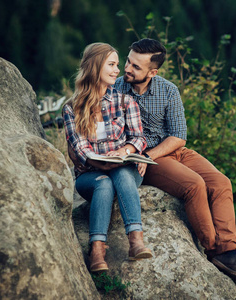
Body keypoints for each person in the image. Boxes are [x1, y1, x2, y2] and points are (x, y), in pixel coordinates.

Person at [112, 38, 236, 285]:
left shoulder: (168, 90)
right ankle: (215, 251)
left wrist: (152, 154)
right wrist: (144, 155)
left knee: (221, 183)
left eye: (136, 66)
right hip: (146, 159)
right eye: (128, 61)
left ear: (152, 72)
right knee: (194, 185)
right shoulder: (115, 90)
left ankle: (230, 251)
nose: (127, 68)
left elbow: (178, 135)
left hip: (171, 151)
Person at [63, 42, 152, 273]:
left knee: (121, 172)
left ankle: (135, 241)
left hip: (124, 169)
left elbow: (140, 138)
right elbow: (80, 149)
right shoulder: (72, 108)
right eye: (111, 65)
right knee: (103, 184)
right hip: (89, 176)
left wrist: (125, 151)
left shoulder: (125, 101)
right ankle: (97, 250)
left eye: (116, 64)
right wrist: (98, 162)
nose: (117, 70)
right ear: (95, 67)